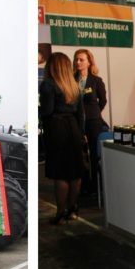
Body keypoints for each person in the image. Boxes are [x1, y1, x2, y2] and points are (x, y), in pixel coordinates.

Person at [39, 52, 86, 225]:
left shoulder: (48, 85)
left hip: (56, 130)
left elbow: (48, 111)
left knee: (61, 174)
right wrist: (81, 134)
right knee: (75, 173)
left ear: (51, 66)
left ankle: (60, 211)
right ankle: (73, 209)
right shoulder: (74, 86)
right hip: (73, 129)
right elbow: (81, 114)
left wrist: (38, 111)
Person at [74, 49, 109, 197]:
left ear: (89, 62)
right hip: (76, 122)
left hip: (93, 121)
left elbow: (103, 100)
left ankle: (95, 186)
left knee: (94, 154)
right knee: (80, 155)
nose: (78, 62)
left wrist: (94, 113)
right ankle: (83, 186)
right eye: (76, 59)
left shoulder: (96, 80)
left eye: (81, 60)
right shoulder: (71, 80)